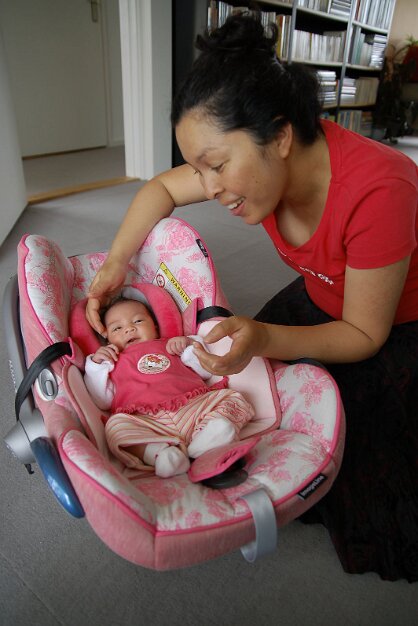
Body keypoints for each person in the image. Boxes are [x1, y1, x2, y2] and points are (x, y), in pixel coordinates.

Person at [85, 14, 418, 581]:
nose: (210, 188)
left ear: (281, 136)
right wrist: (116, 262)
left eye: (217, 166)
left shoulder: (381, 188)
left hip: (388, 327)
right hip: (320, 297)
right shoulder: (256, 169)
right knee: (251, 389)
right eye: (200, 170)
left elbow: (365, 333)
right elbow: (160, 188)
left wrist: (263, 336)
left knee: (356, 481)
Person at [84, 297, 254, 478]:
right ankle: (161, 455)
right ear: (107, 340)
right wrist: (96, 366)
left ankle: (207, 438)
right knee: (115, 427)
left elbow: (205, 372)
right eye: (117, 328)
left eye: (138, 321)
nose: (129, 329)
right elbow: (101, 400)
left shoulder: (171, 344)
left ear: (155, 326)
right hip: (148, 423)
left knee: (233, 397)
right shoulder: (111, 363)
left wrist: (188, 346)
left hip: (193, 407)